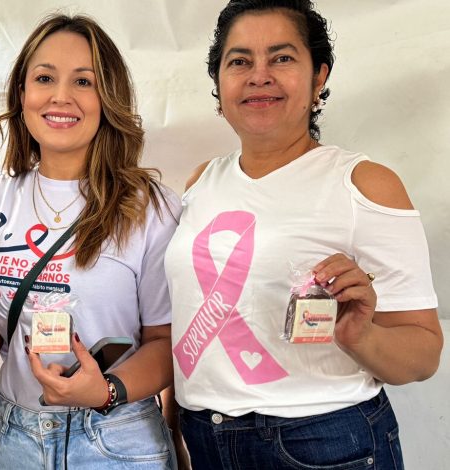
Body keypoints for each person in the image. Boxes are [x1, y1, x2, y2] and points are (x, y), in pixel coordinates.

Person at [0, 13, 181, 470]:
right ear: (22, 94)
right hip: (13, 439)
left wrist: (105, 391)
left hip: (117, 439)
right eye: (45, 77)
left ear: (108, 97)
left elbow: (165, 341)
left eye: (84, 81)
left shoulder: (149, 206)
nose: (61, 96)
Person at [165, 1, 442, 469]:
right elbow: (186, 318)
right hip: (204, 436)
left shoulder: (363, 184)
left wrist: (361, 336)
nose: (259, 75)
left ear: (318, 78)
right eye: (239, 61)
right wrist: (174, 426)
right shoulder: (200, 183)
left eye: (282, 58)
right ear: (219, 83)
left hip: (321, 442)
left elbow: (423, 355)